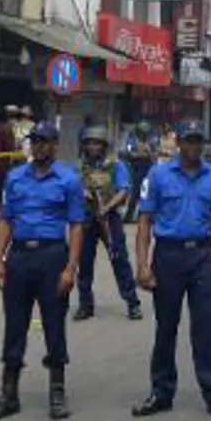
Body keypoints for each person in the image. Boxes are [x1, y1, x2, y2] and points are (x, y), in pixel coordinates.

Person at [132, 123, 211, 420]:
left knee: (207, 329)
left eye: (198, 141)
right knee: (166, 328)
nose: (193, 147)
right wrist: (142, 264)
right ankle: (161, 391)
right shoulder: (159, 175)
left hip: (203, 256)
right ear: (178, 142)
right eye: (188, 141)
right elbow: (144, 223)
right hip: (168, 256)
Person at [0, 121, 85, 421]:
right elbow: (6, 220)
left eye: (44, 141)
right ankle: (8, 393)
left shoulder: (68, 179)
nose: (38, 146)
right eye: (34, 141)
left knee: (53, 324)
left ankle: (57, 391)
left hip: (52, 255)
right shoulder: (14, 178)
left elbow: (76, 225)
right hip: (19, 257)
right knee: (15, 325)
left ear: (55, 146)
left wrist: (71, 268)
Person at [75, 125, 142, 322]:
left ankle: (132, 303)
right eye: (89, 143)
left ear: (104, 145)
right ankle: (85, 304)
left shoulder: (115, 165)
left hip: (109, 218)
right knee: (84, 262)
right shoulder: (80, 167)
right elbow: (73, 187)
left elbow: (123, 189)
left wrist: (107, 207)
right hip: (87, 218)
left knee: (119, 259)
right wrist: (83, 193)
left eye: (96, 143)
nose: (92, 147)